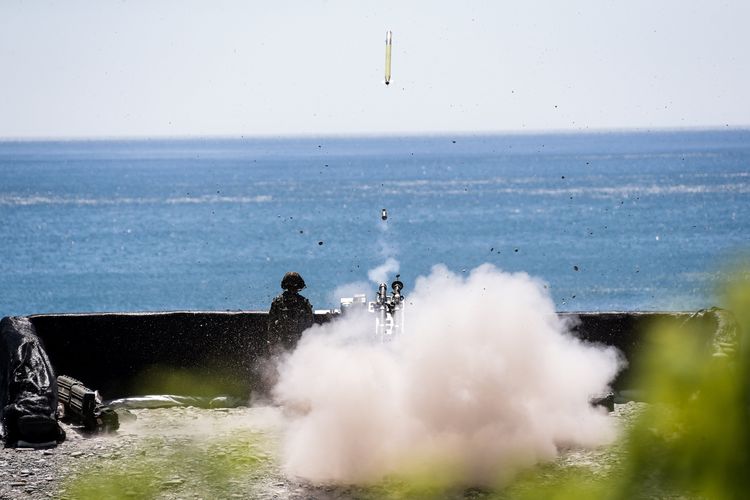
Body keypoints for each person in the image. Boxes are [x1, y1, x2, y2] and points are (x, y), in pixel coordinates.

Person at [267, 272, 314, 353]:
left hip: (281, 341)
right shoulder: (304, 302)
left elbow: (271, 323)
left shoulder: (277, 301)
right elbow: (310, 323)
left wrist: (272, 342)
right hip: (299, 343)